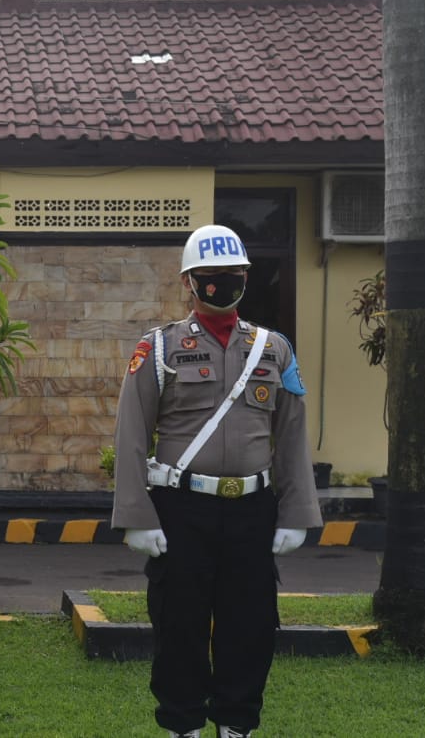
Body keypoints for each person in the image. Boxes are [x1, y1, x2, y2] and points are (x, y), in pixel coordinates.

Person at [110, 225, 322, 738]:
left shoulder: (274, 351)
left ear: (246, 278)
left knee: (249, 626)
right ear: (189, 281)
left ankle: (237, 724)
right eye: (209, 277)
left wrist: (296, 513)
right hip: (182, 508)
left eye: (230, 276)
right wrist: (136, 515)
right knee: (178, 624)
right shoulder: (157, 349)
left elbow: (292, 436)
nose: (220, 285)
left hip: (252, 509)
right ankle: (182, 725)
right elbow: (132, 434)